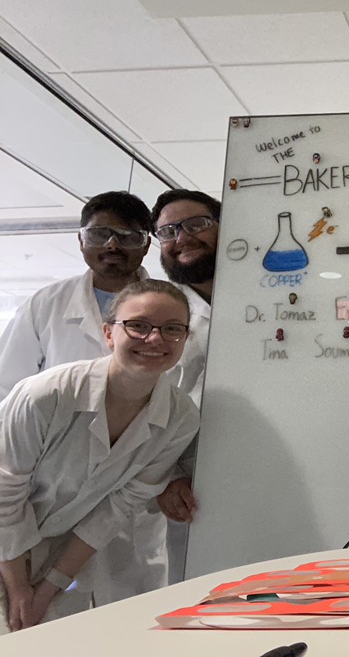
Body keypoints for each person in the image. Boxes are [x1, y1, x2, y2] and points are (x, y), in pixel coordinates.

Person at [0, 280, 200, 631]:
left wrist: (48, 589)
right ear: (109, 334)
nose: (155, 339)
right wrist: (18, 589)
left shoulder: (180, 418)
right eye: (138, 325)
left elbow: (117, 507)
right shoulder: (46, 396)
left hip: (61, 550)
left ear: (185, 338)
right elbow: (4, 498)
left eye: (172, 329)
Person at [0, 191, 151, 401]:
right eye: (99, 234)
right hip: (52, 432)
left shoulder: (174, 308)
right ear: (81, 241)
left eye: (127, 236)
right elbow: (6, 387)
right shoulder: (45, 304)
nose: (112, 245)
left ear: (146, 245)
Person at [148, 189, 220, 580]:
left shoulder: (276, 298)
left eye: (197, 224)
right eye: (168, 231)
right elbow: (142, 403)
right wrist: (166, 475)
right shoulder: (161, 311)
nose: (183, 238)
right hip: (191, 485)